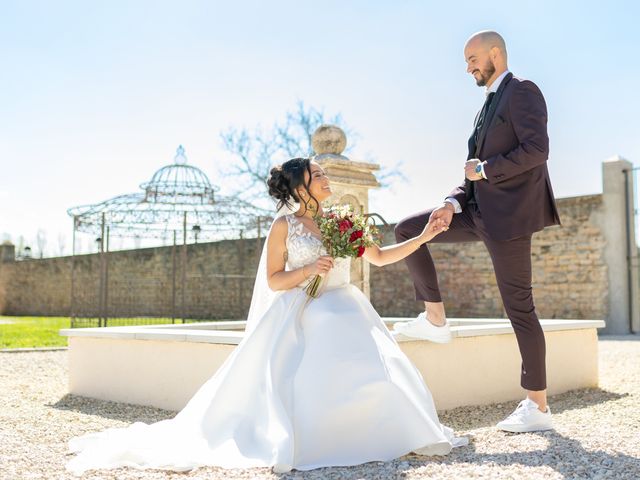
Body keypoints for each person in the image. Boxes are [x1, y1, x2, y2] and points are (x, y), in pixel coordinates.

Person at [66, 157, 467, 476]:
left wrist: (425, 236)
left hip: (349, 306)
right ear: (299, 187)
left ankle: (374, 433)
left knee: (379, 369)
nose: (326, 178)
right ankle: (321, 439)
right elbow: (275, 281)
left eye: (325, 172)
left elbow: (379, 258)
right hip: (306, 309)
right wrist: (309, 270)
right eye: (318, 174)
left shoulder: (342, 220)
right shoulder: (284, 227)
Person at [394, 31, 561, 433]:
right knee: (409, 229)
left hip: (509, 221)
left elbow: (537, 150)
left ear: (495, 54)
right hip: (474, 210)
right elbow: (470, 169)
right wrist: (451, 203)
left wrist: (485, 170)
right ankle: (435, 317)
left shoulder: (521, 90)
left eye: (472, 58)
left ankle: (537, 407)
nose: (468, 66)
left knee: (520, 309)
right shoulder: (485, 107)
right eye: (466, 60)